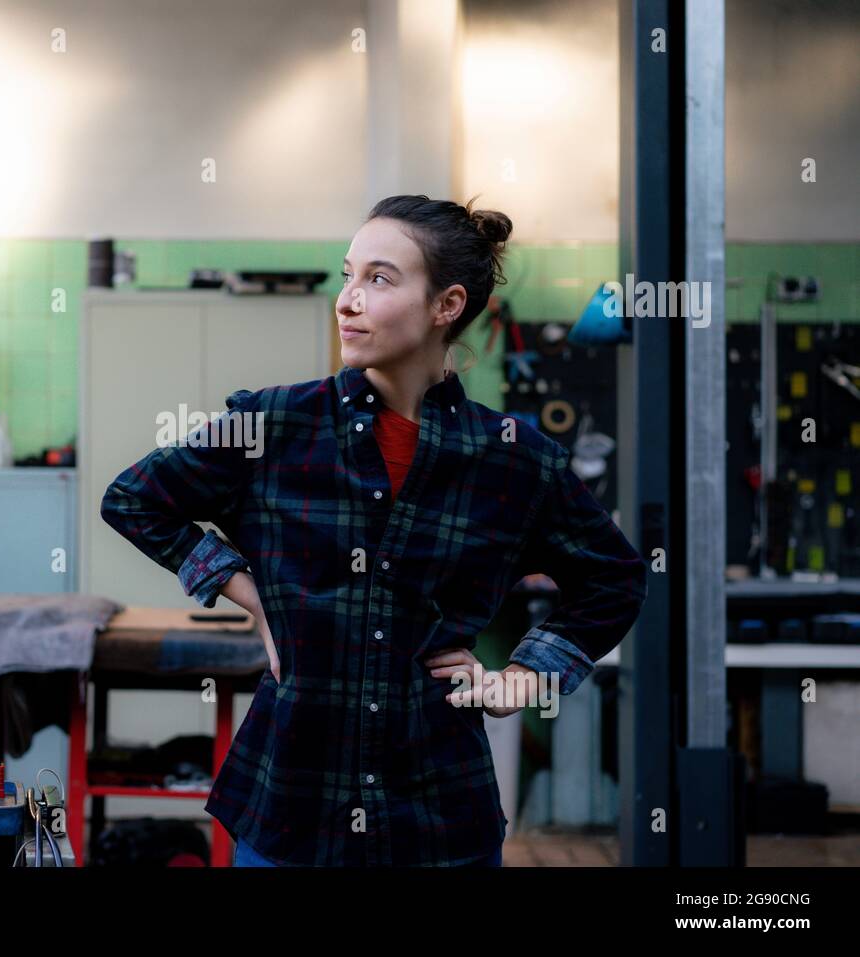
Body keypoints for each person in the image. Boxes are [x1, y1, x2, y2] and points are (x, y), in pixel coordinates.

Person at [100, 194, 648, 867]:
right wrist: (254, 595)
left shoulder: (512, 457)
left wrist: (528, 675)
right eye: (347, 274)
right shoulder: (276, 424)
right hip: (291, 808)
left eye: (379, 279)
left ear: (446, 305)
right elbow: (133, 499)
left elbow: (615, 576)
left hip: (438, 814)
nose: (348, 299)